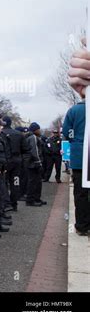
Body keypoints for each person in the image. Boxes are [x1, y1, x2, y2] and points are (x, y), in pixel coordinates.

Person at [65, 47, 90, 235]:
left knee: (80, 194)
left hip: (78, 156)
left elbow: (67, 132)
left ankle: (82, 225)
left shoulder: (74, 111)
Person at [1, 117, 30, 212]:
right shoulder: (19, 134)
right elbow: (26, 148)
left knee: (4, 182)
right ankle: (14, 204)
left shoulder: (0, 134)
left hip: (5, 161)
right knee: (15, 182)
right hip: (17, 161)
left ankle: (6, 203)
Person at [25, 122, 46, 207]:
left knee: (37, 182)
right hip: (33, 164)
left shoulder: (32, 137)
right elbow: (35, 151)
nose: (39, 130)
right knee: (33, 182)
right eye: (38, 129)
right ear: (35, 130)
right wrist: (39, 163)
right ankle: (30, 200)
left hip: (32, 163)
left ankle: (36, 198)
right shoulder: (33, 138)